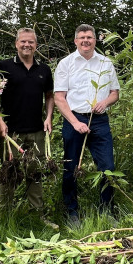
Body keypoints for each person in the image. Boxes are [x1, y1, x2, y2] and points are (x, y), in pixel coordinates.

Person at [54, 24, 120, 225]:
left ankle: (106, 210)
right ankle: (72, 212)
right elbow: (59, 98)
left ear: (95, 40)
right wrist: (74, 122)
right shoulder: (66, 64)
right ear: (75, 41)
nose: (86, 40)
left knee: (107, 167)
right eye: (82, 37)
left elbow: (115, 93)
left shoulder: (105, 63)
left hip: (99, 120)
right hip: (73, 119)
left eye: (89, 37)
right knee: (71, 167)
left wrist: (105, 102)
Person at [0, 28, 56, 227]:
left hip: (37, 130)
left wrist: (48, 117)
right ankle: (5, 217)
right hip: (10, 131)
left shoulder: (44, 70)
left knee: (35, 173)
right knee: (9, 174)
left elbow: (49, 96)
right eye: (23, 42)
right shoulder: (3, 67)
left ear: (36, 45)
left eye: (31, 42)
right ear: (16, 44)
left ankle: (37, 216)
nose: (27, 45)